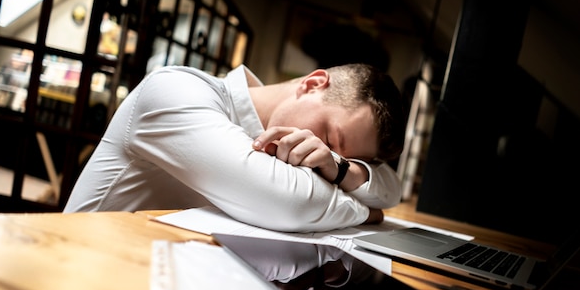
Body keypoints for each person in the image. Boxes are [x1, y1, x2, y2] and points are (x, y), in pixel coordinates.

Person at [64, 63, 407, 232]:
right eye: (332, 141)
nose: (323, 155)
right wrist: (366, 213)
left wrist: (345, 170)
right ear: (313, 84)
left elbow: (391, 187)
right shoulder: (174, 90)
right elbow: (291, 200)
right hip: (74, 274)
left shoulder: (323, 159)